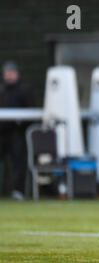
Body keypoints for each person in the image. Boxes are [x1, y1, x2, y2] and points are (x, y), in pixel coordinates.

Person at [0, 61, 34, 200]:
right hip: (1, 132)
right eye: (7, 72)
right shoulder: (1, 90)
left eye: (11, 72)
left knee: (18, 160)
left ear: (17, 74)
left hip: (17, 132)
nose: (9, 75)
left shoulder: (24, 90)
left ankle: (17, 191)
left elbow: (31, 113)